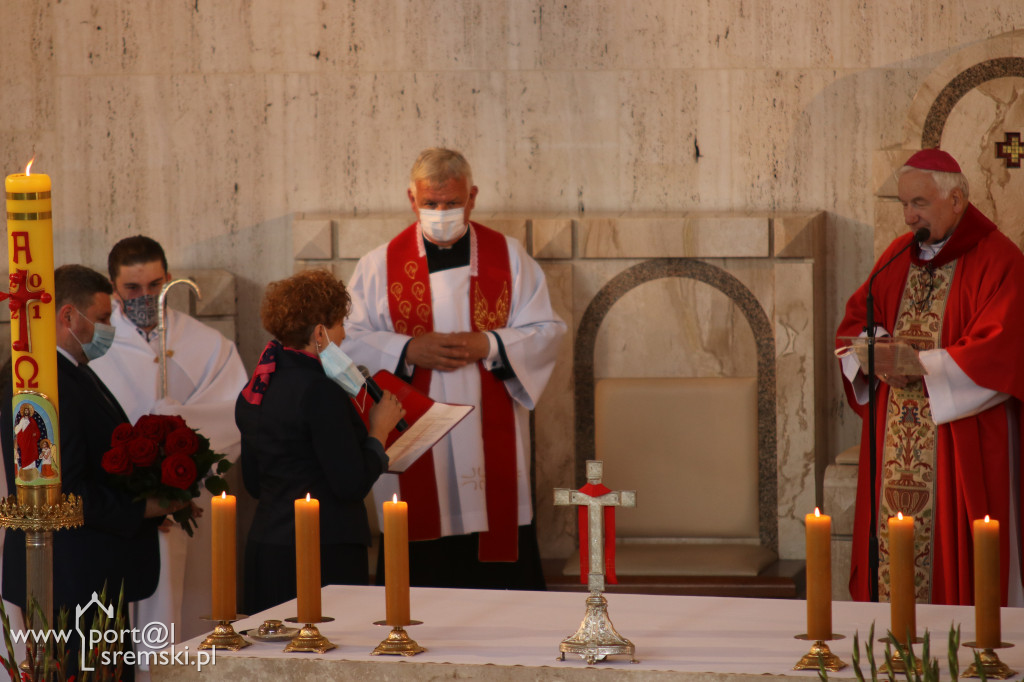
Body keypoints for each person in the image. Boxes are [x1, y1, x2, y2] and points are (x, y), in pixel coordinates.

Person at [343, 147, 566, 589]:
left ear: (473, 197)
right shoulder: (377, 266)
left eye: (451, 203)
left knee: (498, 557)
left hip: (491, 431)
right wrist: (407, 351)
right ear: (412, 200)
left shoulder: (510, 258)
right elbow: (346, 340)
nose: (441, 213)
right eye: (431, 204)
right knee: (421, 570)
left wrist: (490, 342)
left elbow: (547, 330)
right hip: (415, 439)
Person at [837, 148, 1024, 606]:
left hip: (962, 442)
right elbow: (857, 322)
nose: (908, 217)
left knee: (958, 566)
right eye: (903, 204)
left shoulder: (1000, 259)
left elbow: (1002, 350)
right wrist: (876, 349)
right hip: (894, 439)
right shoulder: (897, 255)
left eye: (918, 203)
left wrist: (921, 366)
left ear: (956, 199)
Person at [1, 265, 175, 678]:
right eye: (101, 319)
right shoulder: (42, 381)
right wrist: (143, 507)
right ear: (67, 316)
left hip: (88, 575)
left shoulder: (72, 372)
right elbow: (60, 490)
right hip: (69, 578)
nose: (108, 328)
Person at [89, 236, 248, 644]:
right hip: (124, 511)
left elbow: (235, 417)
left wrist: (182, 424)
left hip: (193, 504)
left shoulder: (208, 346)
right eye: (133, 289)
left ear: (170, 279)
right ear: (113, 288)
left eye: (155, 285)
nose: (146, 297)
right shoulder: (94, 346)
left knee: (194, 611)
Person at [236, 269, 405, 613]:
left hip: (267, 548)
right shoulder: (319, 391)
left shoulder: (260, 384)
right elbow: (350, 484)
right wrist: (379, 430)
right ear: (319, 333)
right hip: (322, 553)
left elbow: (254, 483)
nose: (344, 336)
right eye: (340, 324)